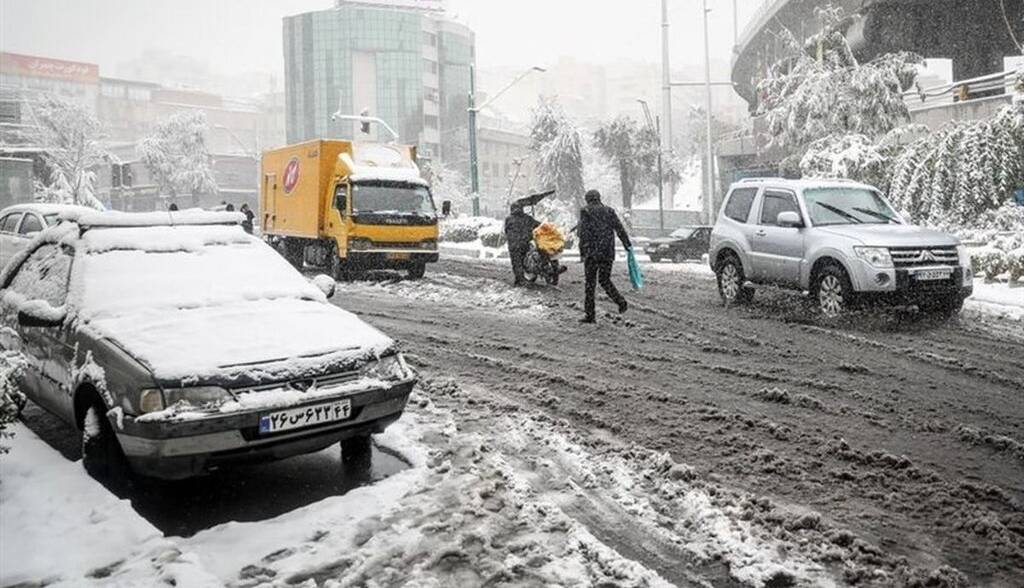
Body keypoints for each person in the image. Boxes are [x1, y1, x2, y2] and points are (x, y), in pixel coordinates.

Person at [578, 189, 631, 323]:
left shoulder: (585, 211)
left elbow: (582, 234)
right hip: (607, 252)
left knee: (590, 284)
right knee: (605, 280)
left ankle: (590, 315)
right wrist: (627, 245)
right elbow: (619, 228)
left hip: (592, 253)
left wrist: (582, 252)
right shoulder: (609, 211)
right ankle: (620, 302)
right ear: (599, 198)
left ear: (588, 199)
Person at [504, 202, 540, 287]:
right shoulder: (527, 218)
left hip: (513, 245)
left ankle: (520, 279)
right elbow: (538, 225)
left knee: (516, 263)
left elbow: (506, 231)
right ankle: (521, 279)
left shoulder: (509, 219)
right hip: (525, 243)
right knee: (525, 261)